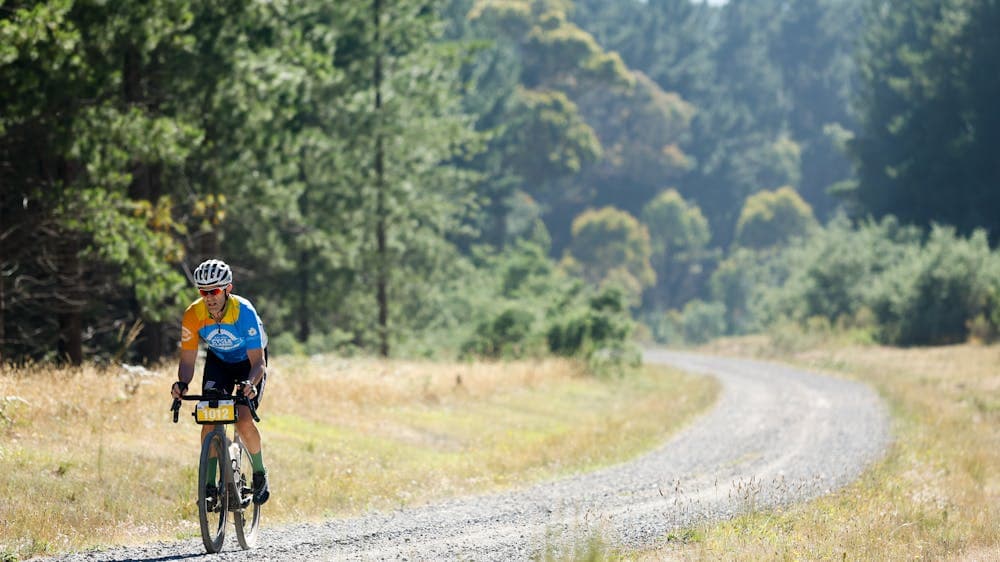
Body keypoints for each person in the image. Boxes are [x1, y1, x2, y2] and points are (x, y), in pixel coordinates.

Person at [170, 258, 270, 505]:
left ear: (228, 289)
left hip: (249, 363)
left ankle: (260, 474)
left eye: (214, 291)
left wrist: (249, 383)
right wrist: (182, 384)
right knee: (209, 417)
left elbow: (259, 363)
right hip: (219, 362)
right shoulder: (193, 314)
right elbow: (187, 360)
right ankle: (209, 487)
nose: (209, 297)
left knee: (243, 420)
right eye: (203, 292)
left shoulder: (243, 312)